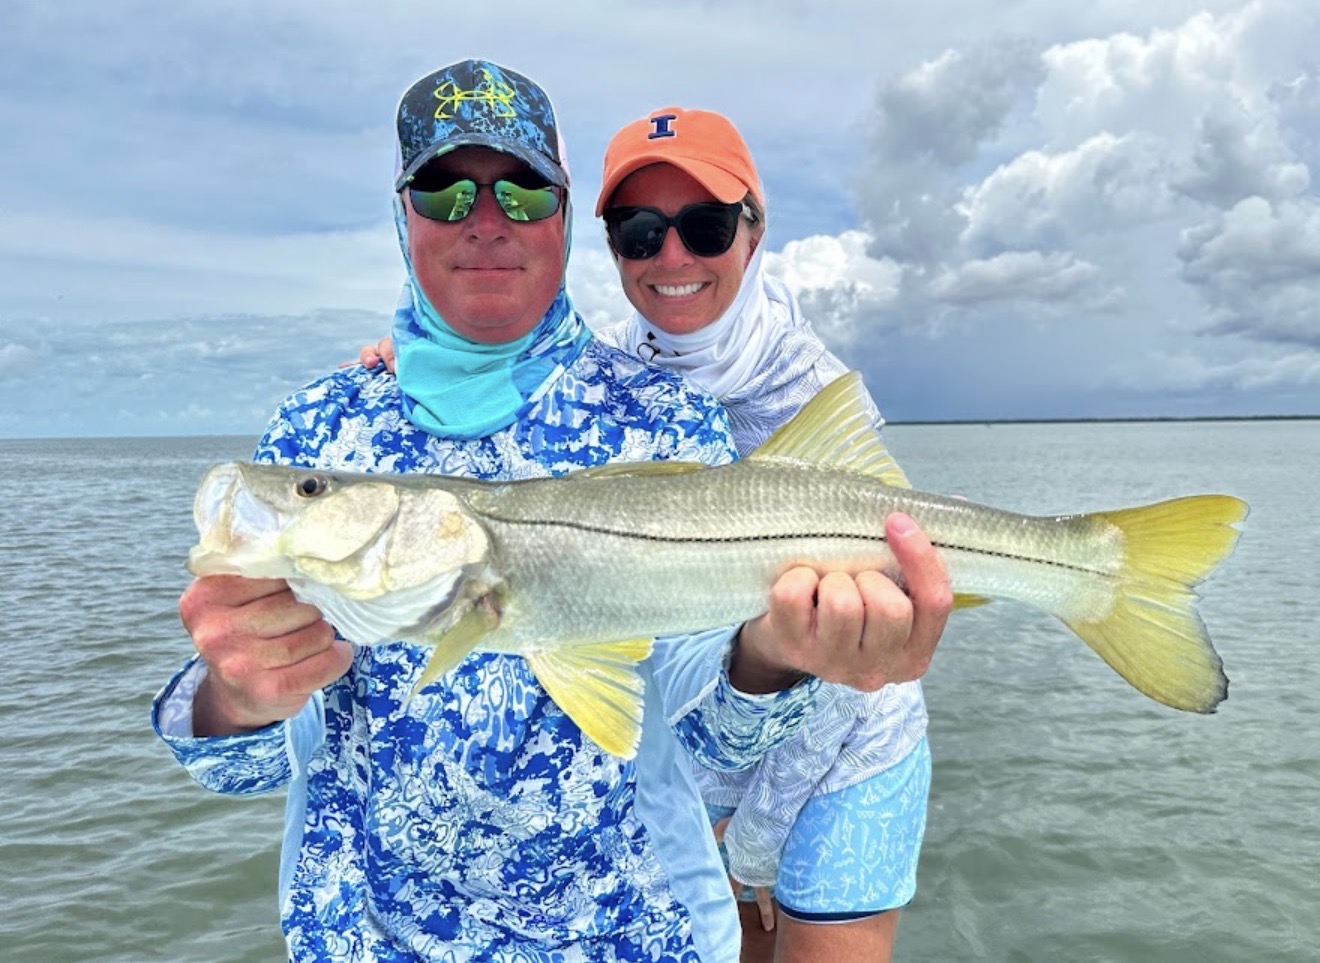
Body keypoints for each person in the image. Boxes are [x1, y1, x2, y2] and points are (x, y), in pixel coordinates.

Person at [155, 61, 952, 963]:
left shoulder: (667, 418)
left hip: (631, 937)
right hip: (369, 940)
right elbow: (245, 767)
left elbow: (714, 742)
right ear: (400, 212)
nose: (487, 221)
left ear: (566, 220)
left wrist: (774, 659)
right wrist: (235, 695)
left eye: (525, 192)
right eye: (445, 190)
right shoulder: (318, 428)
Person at [361, 106, 940, 963]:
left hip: (847, 741)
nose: (673, 257)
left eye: (705, 226)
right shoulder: (620, 378)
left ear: (755, 230)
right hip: (709, 746)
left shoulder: (808, 386)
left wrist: (761, 836)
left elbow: (845, 649)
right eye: (639, 232)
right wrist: (415, 354)